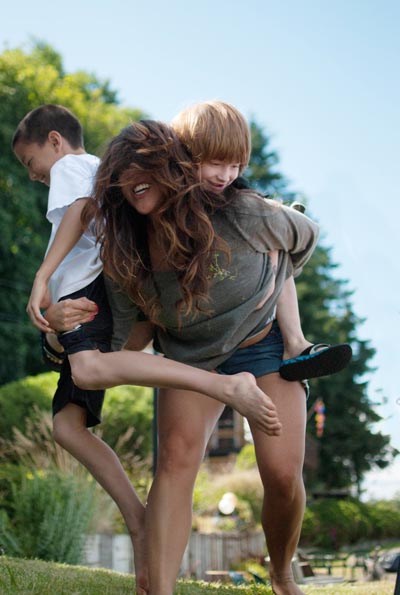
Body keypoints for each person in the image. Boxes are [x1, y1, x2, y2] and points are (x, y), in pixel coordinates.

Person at [12, 105, 281, 595]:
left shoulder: (73, 165)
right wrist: (52, 322)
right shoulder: (107, 175)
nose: (32, 175)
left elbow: (80, 210)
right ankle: (138, 520)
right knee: (67, 426)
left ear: (54, 141)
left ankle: (222, 388)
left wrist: (42, 276)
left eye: (31, 163)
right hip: (86, 300)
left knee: (89, 372)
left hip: (88, 293)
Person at [77, 118, 320, 595]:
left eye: (148, 168)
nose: (135, 179)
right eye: (125, 173)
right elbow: (126, 340)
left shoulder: (242, 212)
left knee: (282, 474)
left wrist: (275, 281)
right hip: (190, 357)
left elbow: (304, 237)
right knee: (175, 461)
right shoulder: (124, 247)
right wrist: (72, 335)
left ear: (174, 169)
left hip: (262, 345)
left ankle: (281, 573)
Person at [172, 100, 352, 382]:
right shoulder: (169, 207)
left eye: (235, 166)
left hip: (257, 327)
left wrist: (274, 278)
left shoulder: (244, 204)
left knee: (277, 252)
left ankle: (296, 342)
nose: (226, 176)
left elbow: (305, 235)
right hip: (202, 334)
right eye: (216, 164)